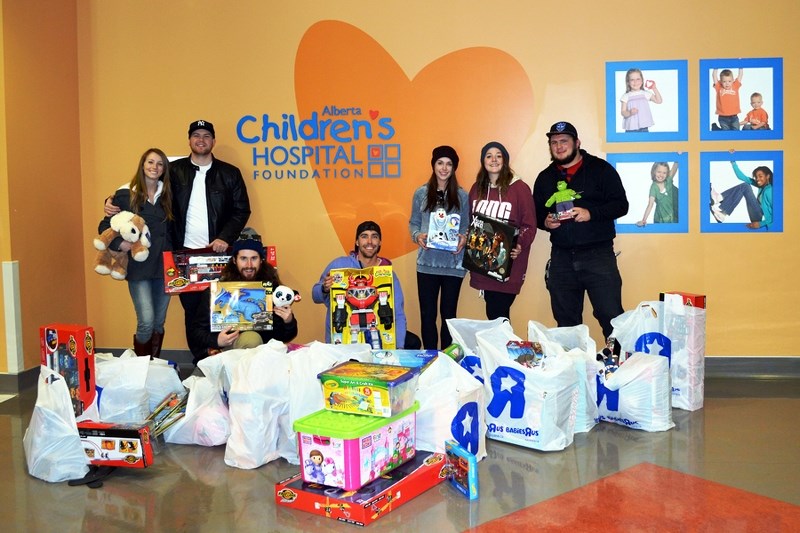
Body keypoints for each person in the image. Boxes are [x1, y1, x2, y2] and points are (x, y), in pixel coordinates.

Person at [105, 120, 251, 361]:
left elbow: (241, 210)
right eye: (196, 135)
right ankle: (201, 359)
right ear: (190, 140)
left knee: (221, 309)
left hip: (218, 256)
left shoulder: (230, 173)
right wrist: (112, 199)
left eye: (206, 135)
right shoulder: (175, 171)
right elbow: (143, 184)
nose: (201, 139)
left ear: (213, 141)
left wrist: (225, 237)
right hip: (183, 257)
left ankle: (223, 358)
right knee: (192, 313)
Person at [532, 121, 629, 342]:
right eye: (554, 142)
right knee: (566, 324)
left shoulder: (600, 169)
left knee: (612, 318)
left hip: (598, 256)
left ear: (577, 143)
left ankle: (619, 370)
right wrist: (544, 222)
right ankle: (573, 373)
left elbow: (621, 205)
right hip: (561, 258)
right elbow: (535, 214)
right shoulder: (545, 178)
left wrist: (591, 213)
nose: (558, 146)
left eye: (564, 141)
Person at [98, 148, 173, 358]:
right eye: (150, 162)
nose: (154, 167)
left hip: (164, 267)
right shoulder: (126, 194)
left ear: (164, 169)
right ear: (142, 165)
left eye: (159, 164)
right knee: (146, 321)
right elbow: (106, 225)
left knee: (159, 321)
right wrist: (120, 244)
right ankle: (141, 367)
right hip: (139, 269)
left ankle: (154, 365)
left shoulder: (168, 195)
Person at [188, 230, 297, 363]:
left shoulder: (273, 291)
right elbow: (196, 331)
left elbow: (284, 336)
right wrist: (216, 340)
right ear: (234, 260)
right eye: (243, 258)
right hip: (229, 352)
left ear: (261, 260)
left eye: (254, 258)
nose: (249, 265)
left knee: (252, 339)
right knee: (250, 339)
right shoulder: (217, 291)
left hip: (264, 354)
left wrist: (289, 321)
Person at [312, 221, 420, 349]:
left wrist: (399, 348)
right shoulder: (339, 265)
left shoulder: (387, 275)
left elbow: (398, 314)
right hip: (345, 334)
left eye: (374, 237)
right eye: (364, 236)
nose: (369, 241)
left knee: (412, 341)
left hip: (375, 327)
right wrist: (324, 288)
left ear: (380, 242)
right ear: (357, 242)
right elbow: (315, 296)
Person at [408, 146, 469, 349]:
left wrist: (463, 239)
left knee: (449, 315)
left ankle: (448, 360)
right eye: (440, 163)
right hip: (426, 263)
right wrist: (418, 236)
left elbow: (466, 227)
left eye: (449, 164)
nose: (444, 168)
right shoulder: (421, 193)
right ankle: (431, 358)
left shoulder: (462, 196)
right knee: (427, 314)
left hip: (453, 265)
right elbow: (413, 223)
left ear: (454, 168)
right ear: (433, 165)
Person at [468, 141, 537, 320]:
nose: (494, 160)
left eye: (499, 156)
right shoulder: (476, 189)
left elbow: (529, 224)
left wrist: (519, 244)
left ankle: (503, 348)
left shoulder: (520, 189)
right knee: (495, 317)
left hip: (509, 265)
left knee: (498, 315)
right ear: (483, 161)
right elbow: (471, 222)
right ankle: (503, 348)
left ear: (505, 160)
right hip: (483, 264)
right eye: (489, 156)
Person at [710, 158, 773, 230]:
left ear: (767, 176)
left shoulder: (770, 191)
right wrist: (733, 161)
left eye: (760, 176)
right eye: (756, 177)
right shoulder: (762, 186)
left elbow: (778, 215)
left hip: (763, 221)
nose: (757, 179)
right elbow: (742, 177)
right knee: (745, 185)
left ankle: (719, 200)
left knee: (745, 186)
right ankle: (721, 208)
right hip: (757, 215)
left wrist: (761, 224)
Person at [636, 162, 679, 226]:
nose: (661, 175)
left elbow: (675, 165)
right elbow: (650, 204)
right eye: (659, 172)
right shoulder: (654, 187)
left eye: (664, 173)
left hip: (674, 216)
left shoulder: (668, 180)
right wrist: (644, 220)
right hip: (661, 219)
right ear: (654, 172)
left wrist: (679, 154)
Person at [620, 68, 663, 132]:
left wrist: (654, 88)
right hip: (630, 128)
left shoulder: (645, 93)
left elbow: (659, 101)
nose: (635, 82)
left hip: (644, 127)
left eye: (638, 79)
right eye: (632, 80)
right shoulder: (626, 96)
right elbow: (623, 112)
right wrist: (629, 112)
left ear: (642, 81)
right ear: (628, 82)